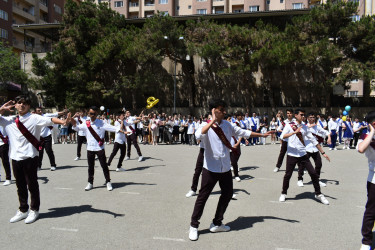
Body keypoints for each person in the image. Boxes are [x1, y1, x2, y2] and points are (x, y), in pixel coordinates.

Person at [188, 100, 271, 241]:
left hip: (225, 168)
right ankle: (193, 226)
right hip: (210, 168)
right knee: (203, 197)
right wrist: (212, 121)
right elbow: (198, 136)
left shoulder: (227, 125)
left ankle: (216, 223)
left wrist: (262, 135)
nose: (225, 112)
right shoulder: (204, 125)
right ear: (214, 110)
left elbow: (243, 132)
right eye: (222, 109)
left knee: (227, 194)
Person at [0, 96, 70, 224]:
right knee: (20, 186)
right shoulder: (9, 120)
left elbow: (50, 119)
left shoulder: (34, 118)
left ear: (28, 106)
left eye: (25, 103)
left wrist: (63, 122)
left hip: (30, 157)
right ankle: (23, 210)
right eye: (19, 103)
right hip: (15, 158)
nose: (22, 105)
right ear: (15, 105)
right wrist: (2, 109)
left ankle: (34, 209)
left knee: (32, 185)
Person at [278, 109, 330, 205]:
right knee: (288, 175)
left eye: (304, 115)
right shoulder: (290, 126)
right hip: (292, 155)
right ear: (296, 115)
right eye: (301, 115)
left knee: (313, 174)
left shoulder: (305, 127)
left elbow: (314, 140)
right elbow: (282, 136)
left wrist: (323, 153)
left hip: (303, 154)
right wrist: (294, 132)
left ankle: (318, 194)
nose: (303, 116)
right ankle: (284, 193)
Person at [71, 106, 126, 191]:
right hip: (90, 148)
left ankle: (108, 182)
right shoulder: (86, 123)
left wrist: (123, 131)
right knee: (90, 167)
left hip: (99, 148)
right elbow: (77, 128)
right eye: (90, 113)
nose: (91, 115)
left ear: (96, 114)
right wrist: (72, 121)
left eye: (93, 114)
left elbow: (113, 128)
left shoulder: (102, 123)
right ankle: (90, 183)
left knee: (104, 166)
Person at [297, 112, 331, 187]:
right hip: (306, 148)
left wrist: (329, 137)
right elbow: (299, 131)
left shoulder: (316, 127)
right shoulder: (304, 126)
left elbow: (325, 131)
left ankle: (316, 179)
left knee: (319, 164)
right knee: (302, 165)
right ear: (307, 118)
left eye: (313, 117)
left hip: (315, 148)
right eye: (311, 117)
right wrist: (309, 127)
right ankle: (300, 179)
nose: (312, 119)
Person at [357, 111, 375, 250]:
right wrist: (372, 132)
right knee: (371, 211)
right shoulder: (365, 136)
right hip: (374, 179)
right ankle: (366, 241)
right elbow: (361, 149)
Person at [35, 107, 67, 171]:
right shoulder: (34, 118)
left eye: (41, 110)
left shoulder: (45, 115)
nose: (40, 111)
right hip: (39, 138)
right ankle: (39, 166)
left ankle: (53, 165)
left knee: (49, 150)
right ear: (36, 112)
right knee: (40, 152)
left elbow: (55, 114)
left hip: (47, 136)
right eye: (38, 111)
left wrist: (63, 112)